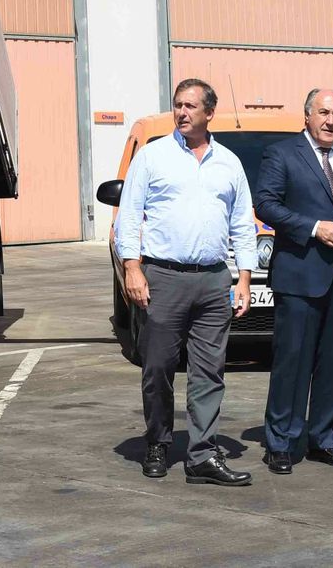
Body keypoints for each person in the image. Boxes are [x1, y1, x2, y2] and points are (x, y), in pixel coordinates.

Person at [116, 78, 256, 486]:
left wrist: (243, 278)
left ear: (209, 113)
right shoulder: (153, 156)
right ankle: (158, 442)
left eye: (191, 106)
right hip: (163, 278)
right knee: (157, 367)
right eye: (178, 104)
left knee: (209, 372)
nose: (182, 112)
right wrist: (132, 267)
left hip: (213, 280)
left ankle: (203, 455)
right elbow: (129, 215)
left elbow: (242, 223)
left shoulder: (229, 163)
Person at [254, 88, 333, 474]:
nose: (330, 121)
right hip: (299, 276)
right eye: (323, 113)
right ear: (307, 115)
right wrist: (313, 228)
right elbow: (266, 204)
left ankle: (325, 438)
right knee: (292, 362)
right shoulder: (282, 154)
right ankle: (281, 442)